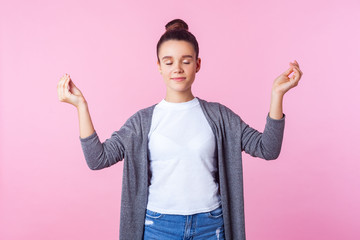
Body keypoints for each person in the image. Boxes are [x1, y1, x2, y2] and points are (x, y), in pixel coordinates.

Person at [57, 19, 302, 240]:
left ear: (197, 65)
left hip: (211, 225)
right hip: (158, 227)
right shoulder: (142, 122)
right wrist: (81, 106)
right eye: (169, 61)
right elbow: (97, 159)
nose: (177, 68)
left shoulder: (219, 116)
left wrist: (277, 94)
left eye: (186, 61)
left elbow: (267, 149)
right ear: (159, 67)